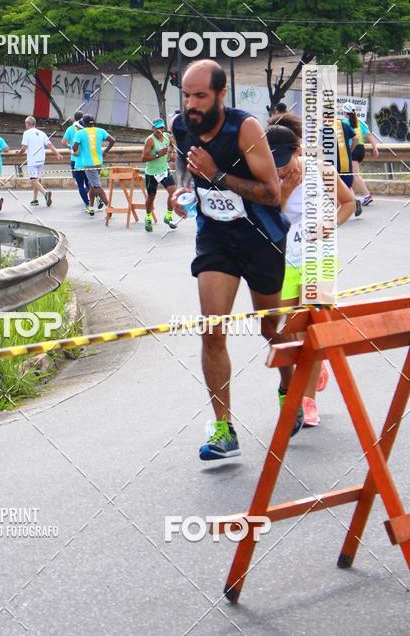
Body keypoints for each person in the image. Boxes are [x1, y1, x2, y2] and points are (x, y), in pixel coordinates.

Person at [171, 60, 303, 462]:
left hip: (261, 238)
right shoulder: (181, 125)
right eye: (186, 96)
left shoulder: (244, 129)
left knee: (270, 328)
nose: (191, 105)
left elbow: (269, 191)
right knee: (212, 331)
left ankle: (288, 389)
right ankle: (223, 428)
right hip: (215, 240)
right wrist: (181, 192)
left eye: (200, 97)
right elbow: (184, 166)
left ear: (221, 95)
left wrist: (217, 176)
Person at [265, 121, 355, 427]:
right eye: (272, 162)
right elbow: (268, 220)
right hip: (284, 259)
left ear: (299, 152)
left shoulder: (319, 169)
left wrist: (330, 225)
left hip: (320, 258)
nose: (277, 169)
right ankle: (312, 365)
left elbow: (348, 203)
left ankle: (308, 401)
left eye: (283, 161)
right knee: (288, 330)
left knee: (311, 328)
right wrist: (285, 190)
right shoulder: (265, 175)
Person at [72, 115, 115, 216]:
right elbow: (112, 140)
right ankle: (91, 207)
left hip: (88, 164)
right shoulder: (100, 131)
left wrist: (80, 148)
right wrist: (105, 151)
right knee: (91, 185)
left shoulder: (80, 133)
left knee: (96, 186)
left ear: (84, 123)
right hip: (98, 162)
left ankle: (109, 206)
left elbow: (74, 148)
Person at [16, 116, 61, 207]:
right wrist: (57, 154)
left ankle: (45, 193)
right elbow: (50, 144)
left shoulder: (27, 133)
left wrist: (19, 152)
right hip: (41, 159)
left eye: (25, 123)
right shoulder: (42, 133)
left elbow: (24, 147)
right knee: (36, 179)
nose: (25, 125)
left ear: (28, 124)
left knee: (33, 180)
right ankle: (35, 199)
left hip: (33, 160)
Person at [141, 119, 177, 232]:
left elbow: (173, 145)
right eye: (158, 128)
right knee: (151, 197)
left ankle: (168, 216)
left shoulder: (168, 136)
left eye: (162, 128)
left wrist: (172, 154)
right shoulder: (150, 141)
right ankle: (147, 217)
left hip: (164, 170)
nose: (160, 130)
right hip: (152, 173)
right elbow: (143, 158)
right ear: (153, 129)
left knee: (173, 192)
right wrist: (158, 154)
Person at [342, 102, 379, 207]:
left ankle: (367, 195)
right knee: (352, 174)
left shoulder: (344, 122)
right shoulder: (360, 122)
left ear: (345, 112)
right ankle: (349, 196)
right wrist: (375, 148)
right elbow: (369, 135)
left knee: (355, 174)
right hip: (361, 149)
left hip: (352, 149)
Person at [62, 111, 90, 211]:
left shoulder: (70, 129)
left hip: (74, 159)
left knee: (80, 183)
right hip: (87, 158)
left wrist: (70, 147)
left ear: (74, 118)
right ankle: (91, 196)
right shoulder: (86, 129)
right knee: (88, 181)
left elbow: (63, 142)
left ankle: (86, 201)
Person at [336, 115, 361, 217]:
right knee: (347, 185)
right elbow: (355, 138)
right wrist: (350, 150)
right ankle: (354, 201)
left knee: (333, 185)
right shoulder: (343, 125)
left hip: (333, 161)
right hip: (346, 160)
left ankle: (338, 212)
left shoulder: (324, 127)